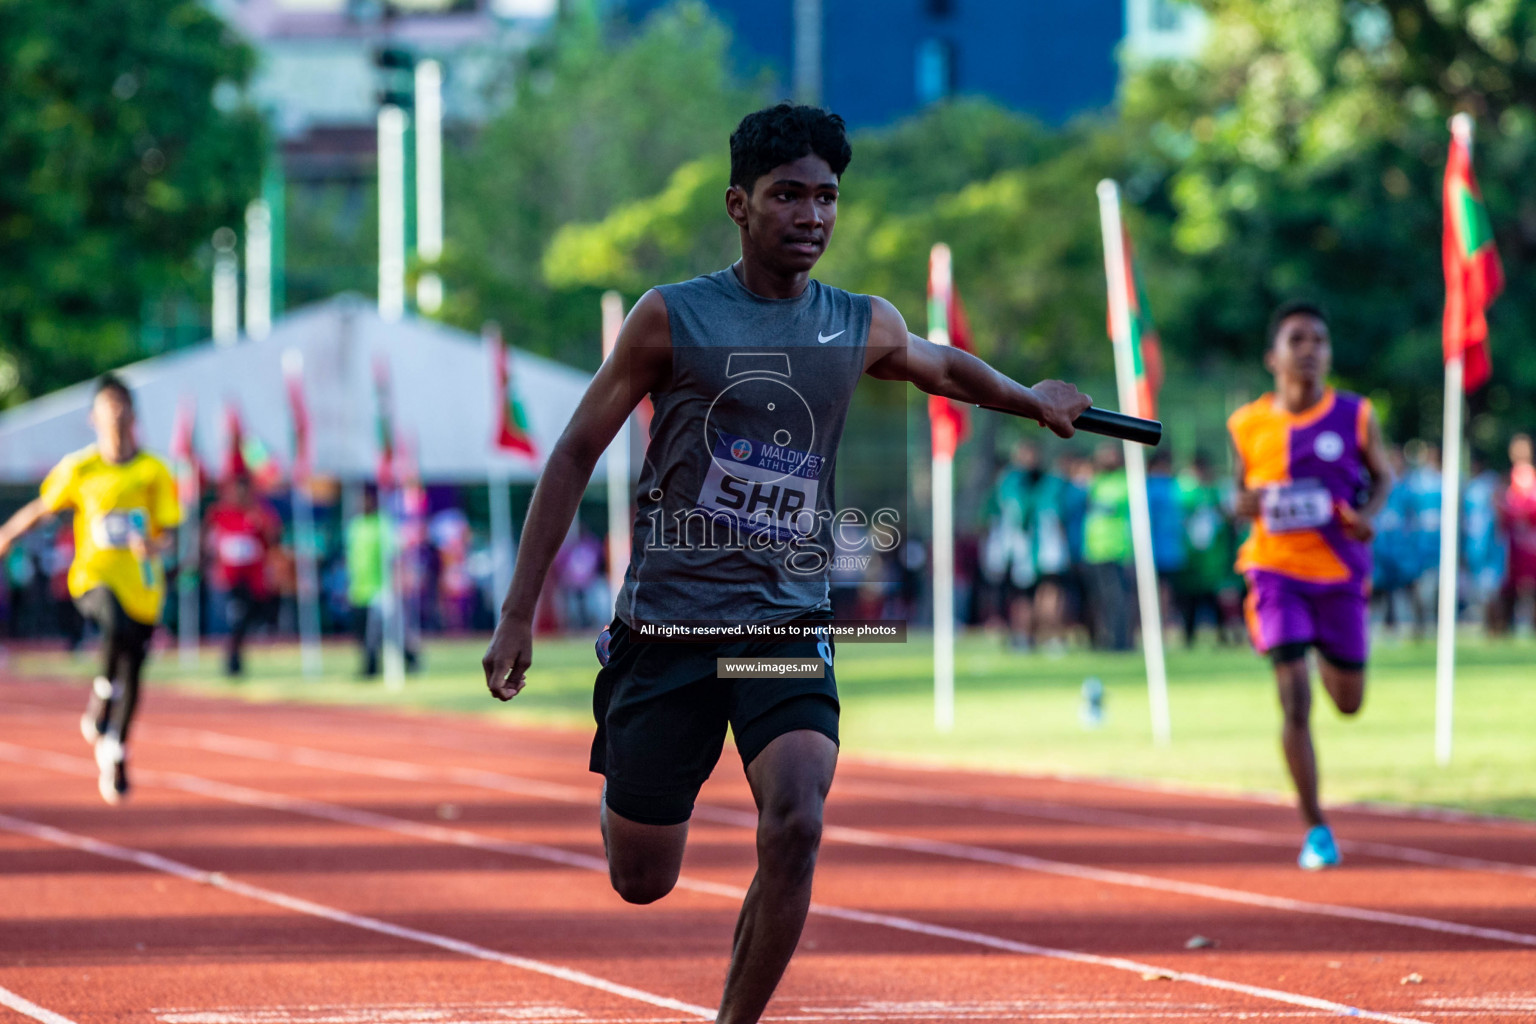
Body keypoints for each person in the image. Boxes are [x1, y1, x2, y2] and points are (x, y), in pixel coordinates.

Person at [480, 102, 1090, 1024]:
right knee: (642, 878)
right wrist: (519, 611)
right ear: (739, 203)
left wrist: (1028, 398)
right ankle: (630, 785)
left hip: (780, 630)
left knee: (798, 818)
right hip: (671, 635)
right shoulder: (671, 319)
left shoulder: (856, 323)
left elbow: (947, 369)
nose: (811, 216)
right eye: (788, 195)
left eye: (827, 197)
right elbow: (572, 454)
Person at [1227, 301, 1392, 869]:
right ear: (1273, 356)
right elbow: (1237, 497)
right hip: (1275, 571)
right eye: (1297, 339)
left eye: (1319, 340)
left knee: (1347, 704)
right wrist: (1241, 505)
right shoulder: (1246, 424)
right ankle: (1316, 827)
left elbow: (1385, 474)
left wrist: (1369, 511)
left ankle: (1325, 648)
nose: (1310, 349)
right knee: (1293, 697)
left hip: (1340, 575)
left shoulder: (1355, 414)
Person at [0, 374, 180, 803]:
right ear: (93, 418)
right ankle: (101, 694)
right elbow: (44, 508)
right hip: (92, 578)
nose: (115, 415)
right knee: (112, 622)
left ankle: (116, 748)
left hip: (143, 584)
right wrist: (6, 534)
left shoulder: (153, 471)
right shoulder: (80, 468)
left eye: (121, 407)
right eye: (106, 407)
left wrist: (150, 543)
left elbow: (171, 532)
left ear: (133, 415)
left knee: (134, 668)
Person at [204, 471, 281, 676]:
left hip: (253, 579)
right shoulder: (220, 514)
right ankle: (233, 661)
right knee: (235, 619)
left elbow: (272, 539)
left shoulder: (260, 513)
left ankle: (237, 655)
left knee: (249, 617)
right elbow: (209, 541)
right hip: (229, 579)